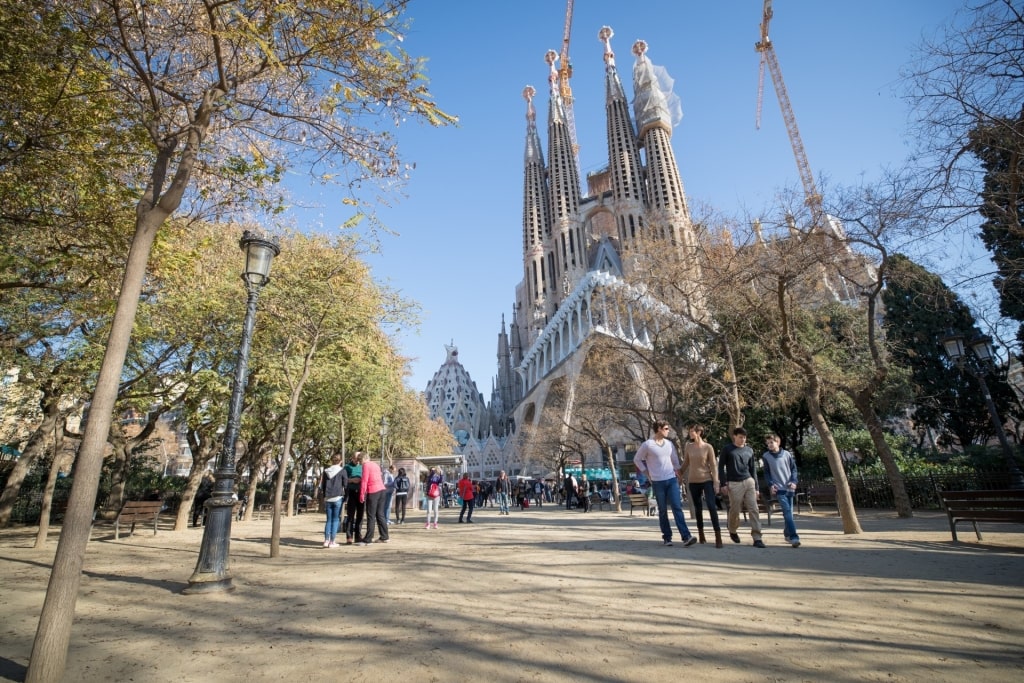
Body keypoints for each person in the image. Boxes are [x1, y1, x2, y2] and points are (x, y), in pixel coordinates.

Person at [634, 420, 697, 547]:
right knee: (662, 510)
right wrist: (647, 473)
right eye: (666, 428)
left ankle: (686, 536)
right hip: (657, 482)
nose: (668, 431)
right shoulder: (648, 445)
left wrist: (679, 475)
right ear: (659, 428)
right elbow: (637, 459)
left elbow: (675, 461)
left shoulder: (669, 444)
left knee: (677, 507)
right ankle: (667, 537)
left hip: (671, 479)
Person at [718, 427, 764, 548]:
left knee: (753, 508)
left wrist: (757, 488)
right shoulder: (727, 449)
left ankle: (757, 537)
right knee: (735, 509)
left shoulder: (749, 450)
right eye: (740, 437)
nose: (742, 439)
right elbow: (721, 467)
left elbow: (753, 469)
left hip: (749, 481)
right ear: (734, 436)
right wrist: (723, 483)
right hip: (734, 483)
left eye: (744, 437)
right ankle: (732, 529)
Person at [681, 424, 722, 548]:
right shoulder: (689, 446)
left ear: (699, 432)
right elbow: (686, 462)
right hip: (693, 480)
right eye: (689, 431)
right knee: (698, 508)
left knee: (711, 506)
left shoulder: (708, 447)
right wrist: (679, 472)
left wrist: (716, 482)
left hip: (706, 479)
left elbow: (713, 465)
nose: (690, 433)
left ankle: (718, 536)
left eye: (692, 431)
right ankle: (701, 534)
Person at [762, 433, 801, 547]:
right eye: (768, 443)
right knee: (788, 512)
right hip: (779, 488)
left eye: (771, 442)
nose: (769, 445)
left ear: (778, 442)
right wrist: (771, 485)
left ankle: (787, 534)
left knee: (789, 514)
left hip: (789, 487)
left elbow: (794, 469)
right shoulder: (766, 456)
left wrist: (794, 481)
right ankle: (794, 537)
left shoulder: (787, 454)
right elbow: (767, 473)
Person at [358, 456, 389, 545]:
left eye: (360, 460)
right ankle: (384, 536)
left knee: (371, 516)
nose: (360, 463)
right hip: (382, 489)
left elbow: (364, 480)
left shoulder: (366, 465)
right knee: (380, 514)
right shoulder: (375, 464)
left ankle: (368, 539)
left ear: (363, 459)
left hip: (373, 491)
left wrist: (362, 494)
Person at [320, 453, 346, 548]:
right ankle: (332, 541)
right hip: (338, 497)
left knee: (329, 520)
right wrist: (346, 496)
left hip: (328, 498)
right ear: (341, 461)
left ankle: (326, 540)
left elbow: (323, 485)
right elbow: (345, 484)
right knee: (335, 520)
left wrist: (324, 496)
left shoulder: (326, 471)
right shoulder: (342, 471)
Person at [342, 452, 364, 544]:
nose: (357, 460)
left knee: (360, 515)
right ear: (352, 458)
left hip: (361, 492)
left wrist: (361, 480)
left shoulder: (363, 466)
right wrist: (351, 480)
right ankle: (349, 536)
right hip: (351, 492)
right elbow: (343, 479)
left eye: (359, 459)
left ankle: (358, 536)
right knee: (350, 515)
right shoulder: (347, 467)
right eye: (356, 458)